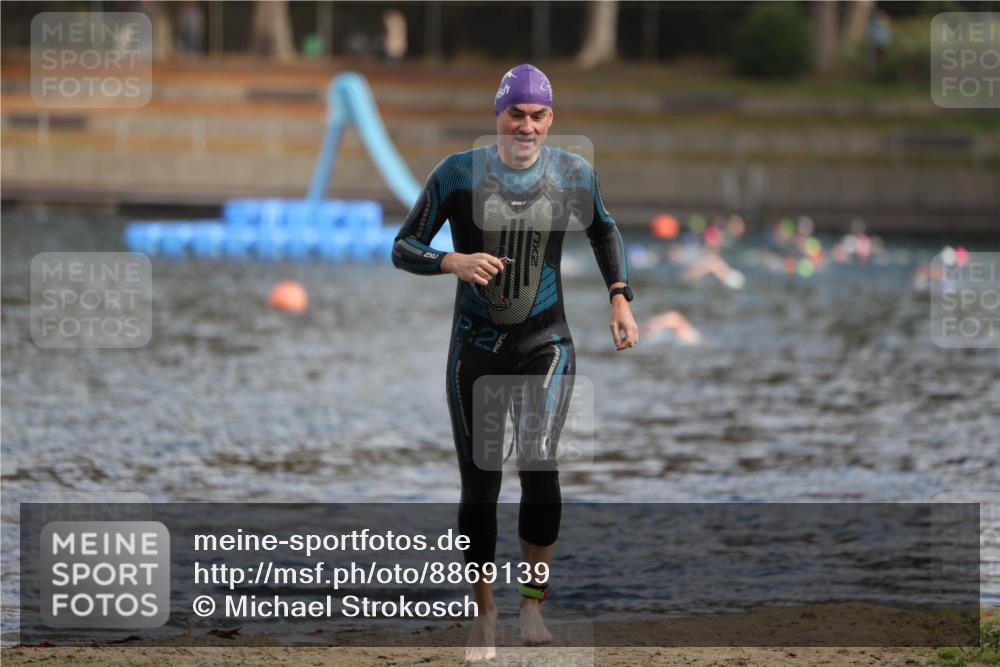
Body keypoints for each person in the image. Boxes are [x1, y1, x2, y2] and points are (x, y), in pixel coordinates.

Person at [392, 64, 638, 662]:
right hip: (473, 349)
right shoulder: (457, 173)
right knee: (480, 486)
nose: (527, 126)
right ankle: (485, 613)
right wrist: (451, 262)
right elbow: (403, 246)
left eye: (538, 116)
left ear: (551, 119)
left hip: (546, 344)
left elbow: (605, 232)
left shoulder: (572, 173)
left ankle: (532, 602)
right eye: (516, 115)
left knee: (540, 465)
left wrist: (620, 297)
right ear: (498, 115)